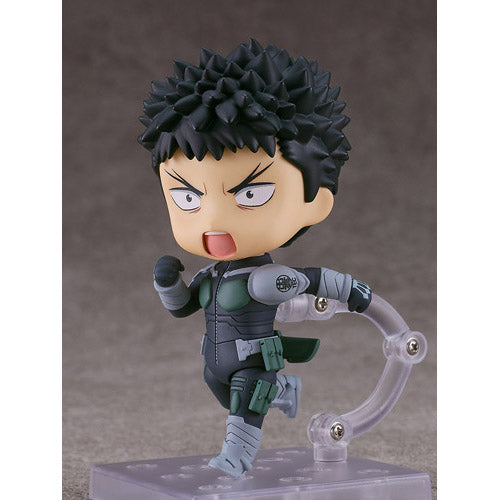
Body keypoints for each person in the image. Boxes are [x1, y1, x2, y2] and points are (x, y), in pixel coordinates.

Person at [138, 39, 372, 478]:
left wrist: (354, 291)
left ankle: (237, 456)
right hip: (215, 364)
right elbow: (183, 307)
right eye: (187, 198)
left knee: (245, 405)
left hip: (254, 364)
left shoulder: (267, 279)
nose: (213, 220)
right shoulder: (209, 274)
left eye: (250, 194)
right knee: (220, 388)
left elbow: (311, 278)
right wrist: (167, 284)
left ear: (316, 200)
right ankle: (284, 391)